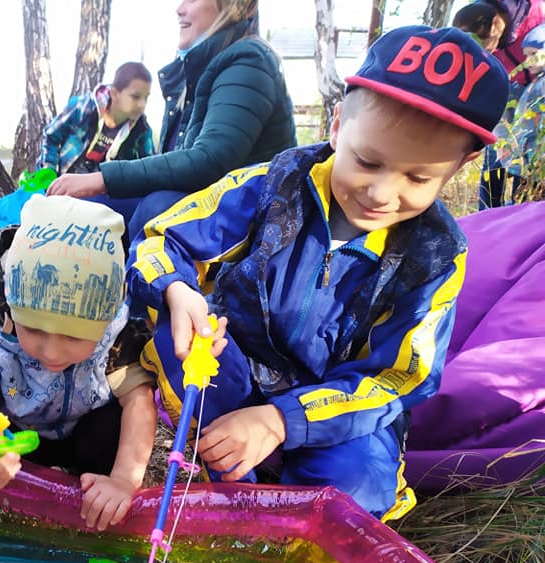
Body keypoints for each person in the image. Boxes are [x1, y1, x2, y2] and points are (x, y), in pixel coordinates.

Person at [126, 26, 509, 521]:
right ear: (336, 126)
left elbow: (396, 377)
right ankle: (230, 468)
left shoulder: (436, 256)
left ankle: (281, 476)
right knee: (180, 344)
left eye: (417, 178)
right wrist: (178, 290)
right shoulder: (270, 186)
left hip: (336, 406)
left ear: (460, 166)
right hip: (242, 364)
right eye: (367, 161)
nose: (380, 193)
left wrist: (281, 420)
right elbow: (162, 238)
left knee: (356, 492)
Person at [0, 195, 157, 531]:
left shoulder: (116, 324)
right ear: (10, 308)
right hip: (12, 438)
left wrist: (125, 479)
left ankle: (102, 491)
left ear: (105, 322)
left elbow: (138, 401)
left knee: (113, 423)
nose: (51, 352)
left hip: (83, 434)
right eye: (34, 329)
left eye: (74, 337)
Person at [47, 0, 295, 204]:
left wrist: (101, 179)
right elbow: (174, 162)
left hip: (243, 219)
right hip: (211, 211)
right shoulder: (198, 73)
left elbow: (210, 160)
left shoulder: (248, 62)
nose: (179, 9)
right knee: (80, 208)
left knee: (154, 206)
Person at [453, 0, 544, 207]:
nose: (484, 53)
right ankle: (487, 212)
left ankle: (521, 209)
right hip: (506, 84)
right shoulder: (474, 14)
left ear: (494, 28)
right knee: (495, 150)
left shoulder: (536, 13)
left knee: (527, 152)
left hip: (538, 91)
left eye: (483, 46)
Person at [39, 61, 155, 176]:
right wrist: (48, 172)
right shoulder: (83, 108)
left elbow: (149, 168)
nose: (142, 104)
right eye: (135, 97)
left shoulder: (141, 130)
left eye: (146, 98)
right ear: (114, 94)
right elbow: (50, 137)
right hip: (65, 183)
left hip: (103, 190)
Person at [494, 25, 545, 199]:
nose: (528, 60)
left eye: (533, 53)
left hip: (537, 165)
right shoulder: (535, 83)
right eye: (526, 56)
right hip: (525, 163)